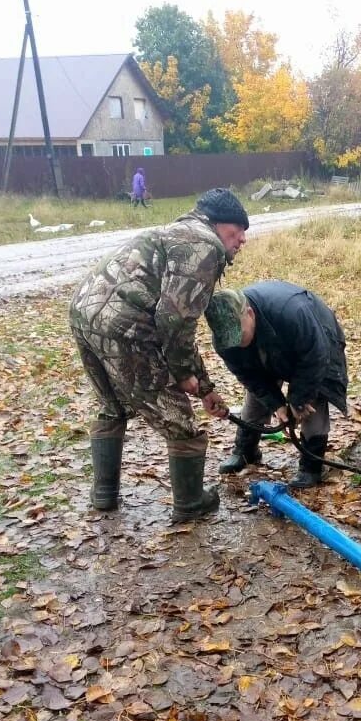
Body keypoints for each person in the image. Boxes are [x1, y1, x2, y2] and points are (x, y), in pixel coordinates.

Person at [69, 188, 249, 522]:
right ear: (217, 226)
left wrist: (206, 388)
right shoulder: (205, 246)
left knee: (112, 407)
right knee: (179, 421)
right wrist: (183, 375)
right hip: (126, 327)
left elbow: (173, 319)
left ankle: (104, 495)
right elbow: (175, 320)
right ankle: (191, 503)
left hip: (84, 313)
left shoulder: (176, 232)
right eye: (236, 231)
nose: (241, 240)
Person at [205, 281, 348, 489]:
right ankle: (245, 451)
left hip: (317, 342)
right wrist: (277, 404)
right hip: (275, 346)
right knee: (256, 397)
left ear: (250, 314)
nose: (235, 343)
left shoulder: (292, 313)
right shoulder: (225, 340)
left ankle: (311, 466)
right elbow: (250, 377)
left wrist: (297, 399)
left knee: (313, 399)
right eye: (230, 339)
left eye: (240, 336)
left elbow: (316, 357)